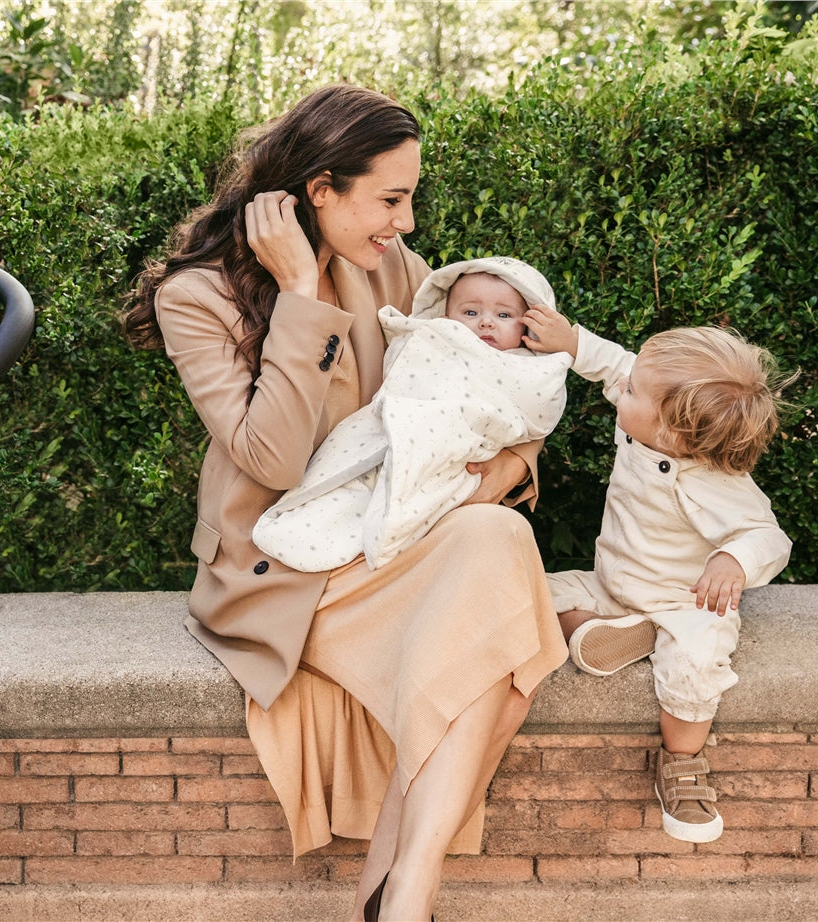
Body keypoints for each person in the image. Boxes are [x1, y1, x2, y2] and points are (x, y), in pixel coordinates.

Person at [124, 84, 567, 921]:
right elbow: (273, 458)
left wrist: (498, 475)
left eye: (411, 200)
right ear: (320, 191)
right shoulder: (199, 299)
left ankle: (402, 896)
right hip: (284, 569)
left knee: (496, 537)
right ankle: (399, 901)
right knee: (500, 664)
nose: (405, 225)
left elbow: (503, 390)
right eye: (391, 199)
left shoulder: (399, 271)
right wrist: (300, 292)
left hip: (392, 542)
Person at [523, 306, 794, 844]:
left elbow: (769, 536)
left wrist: (733, 559)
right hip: (613, 585)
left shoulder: (714, 481)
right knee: (526, 595)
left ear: (671, 430)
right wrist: (572, 340)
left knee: (695, 666)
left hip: (684, 604)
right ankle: (610, 635)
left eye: (634, 393)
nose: (623, 388)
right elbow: (619, 367)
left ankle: (682, 764)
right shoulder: (650, 422)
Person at [253, 257, 572, 573]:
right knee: (349, 488)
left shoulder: (397, 261)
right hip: (380, 432)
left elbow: (537, 400)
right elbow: (414, 360)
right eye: (471, 313)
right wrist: (298, 291)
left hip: (453, 452)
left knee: (492, 532)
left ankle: (391, 524)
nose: (486, 322)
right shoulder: (437, 331)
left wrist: (517, 462)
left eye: (503, 315)